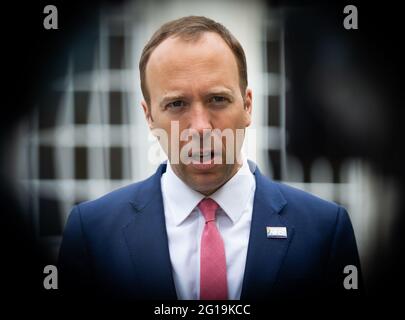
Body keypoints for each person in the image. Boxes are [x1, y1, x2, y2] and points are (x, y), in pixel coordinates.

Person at [58, 16, 362, 300]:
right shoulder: (91, 233)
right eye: (177, 104)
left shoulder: (324, 231)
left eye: (217, 99)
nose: (201, 127)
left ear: (247, 105)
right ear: (149, 116)